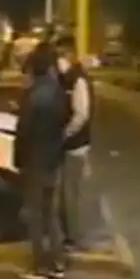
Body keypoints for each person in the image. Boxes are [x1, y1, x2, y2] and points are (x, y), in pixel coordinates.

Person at [15, 42, 70, 279]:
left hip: (35, 159)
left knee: (35, 214)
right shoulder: (58, 93)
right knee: (51, 213)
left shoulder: (32, 95)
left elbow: (24, 130)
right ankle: (58, 262)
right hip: (54, 158)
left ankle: (39, 264)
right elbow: (64, 123)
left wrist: (19, 159)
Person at [54, 35, 92, 251]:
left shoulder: (78, 80)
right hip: (68, 145)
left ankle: (73, 238)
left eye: (62, 54)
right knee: (65, 194)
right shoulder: (66, 78)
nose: (60, 60)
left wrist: (64, 134)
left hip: (75, 146)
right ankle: (69, 234)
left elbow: (81, 114)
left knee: (70, 194)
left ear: (71, 54)